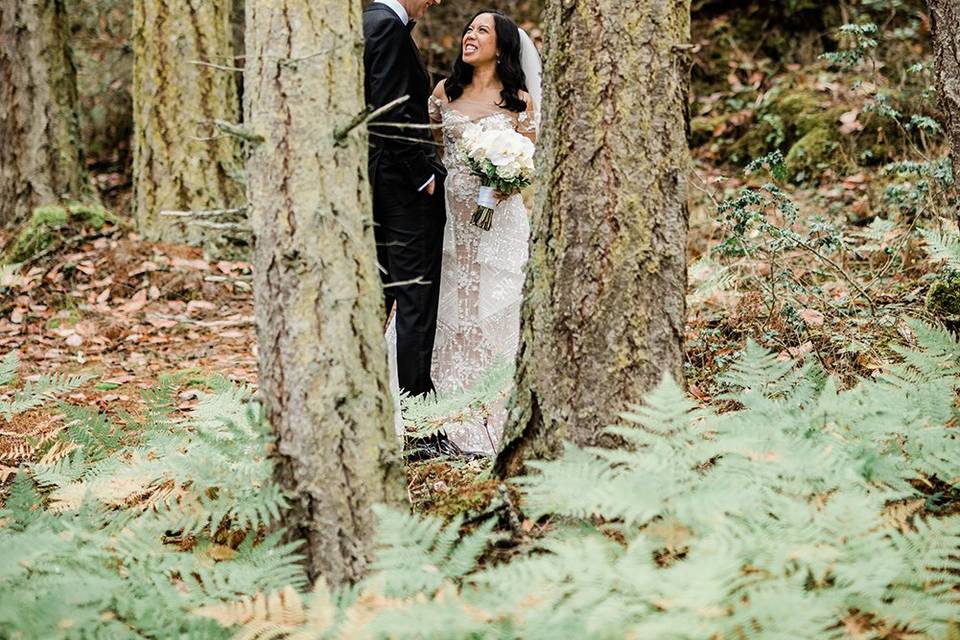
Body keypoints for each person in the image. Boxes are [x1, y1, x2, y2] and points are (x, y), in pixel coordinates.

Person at [427, 10, 541, 453]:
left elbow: (527, 162)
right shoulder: (442, 94)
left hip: (501, 224)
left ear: (502, 46)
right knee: (451, 303)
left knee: (497, 304)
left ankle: (494, 412)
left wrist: (502, 182)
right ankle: (441, 411)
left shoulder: (520, 102)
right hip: (451, 221)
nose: (469, 36)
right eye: (468, 29)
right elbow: (435, 154)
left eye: (481, 31)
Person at [363, 0, 462, 459]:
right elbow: (387, 107)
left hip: (385, 187)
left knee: (386, 296)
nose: (434, 2)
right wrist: (423, 173)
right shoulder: (384, 25)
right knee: (416, 304)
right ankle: (422, 433)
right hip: (402, 189)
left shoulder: (374, 22)